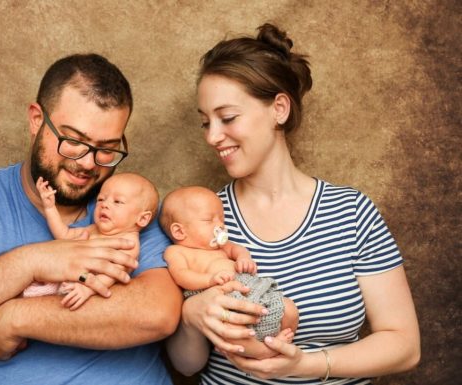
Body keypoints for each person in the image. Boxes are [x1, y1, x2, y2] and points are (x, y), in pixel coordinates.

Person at [0, 53, 182, 385]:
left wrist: (15, 317)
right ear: (36, 120)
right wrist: (31, 261)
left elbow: (159, 313)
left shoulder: (132, 206)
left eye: (107, 149)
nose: (87, 163)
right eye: (73, 141)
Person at [165, 24, 420, 384]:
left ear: (279, 109)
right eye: (206, 123)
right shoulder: (199, 220)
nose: (212, 136)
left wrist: (306, 365)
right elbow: (187, 365)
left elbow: (405, 345)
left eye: (228, 117)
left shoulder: (351, 212)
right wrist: (192, 316)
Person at [159, 185, 299, 359]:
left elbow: (238, 250)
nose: (220, 225)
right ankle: (260, 352)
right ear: (179, 231)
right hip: (221, 301)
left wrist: (244, 259)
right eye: (209, 220)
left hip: (252, 292)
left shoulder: (222, 246)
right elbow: (182, 276)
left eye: (222, 220)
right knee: (230, 331)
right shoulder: (177, 252)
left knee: (289, 308)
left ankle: (278, 343)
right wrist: (209, 280)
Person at [23, 172, 159, 311]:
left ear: (142, 219)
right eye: (101, 199)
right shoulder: (94, 229)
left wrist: (87, 290)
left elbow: (112, 274)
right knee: (26, 290)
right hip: (59, 279)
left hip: (81, 288)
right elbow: (65, 235)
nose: (104, 205)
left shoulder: (128, 243)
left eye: (117, 201)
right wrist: (50, 208)